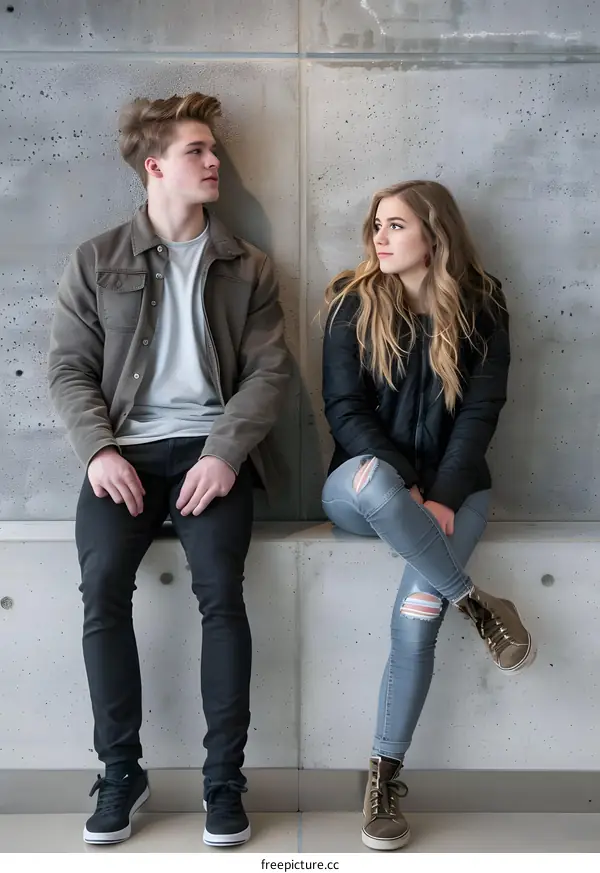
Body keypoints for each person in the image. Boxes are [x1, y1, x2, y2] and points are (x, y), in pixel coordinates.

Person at [48, 92, 290, 848]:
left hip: (212, 454)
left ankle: (225, 780)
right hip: (124, 457)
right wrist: (100, 451)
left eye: (214, 149)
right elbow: (67, 370)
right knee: (101, 594)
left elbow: (269, 373)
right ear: (155, 166)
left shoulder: (247, 266)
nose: (215, 161)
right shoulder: (97, 259)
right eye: (198, 151)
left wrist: (225, 452)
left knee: (222, 593)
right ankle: (121, 770)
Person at [321, 180, 534, 852]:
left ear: (434, 235)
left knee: (415, 619)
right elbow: (345, 410)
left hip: (458, 491)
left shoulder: (483, 303)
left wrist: (441, 492)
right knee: (378, 482)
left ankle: (383, 779)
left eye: (395, 225)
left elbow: (480, 411)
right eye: (376, 225)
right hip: (359, 489)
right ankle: (476, 601)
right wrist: (408, 485)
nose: (379, 238)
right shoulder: (350, 303)